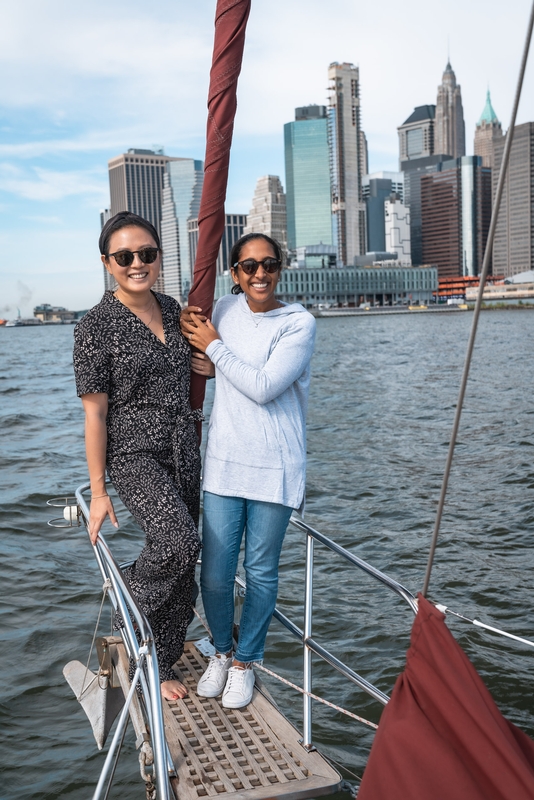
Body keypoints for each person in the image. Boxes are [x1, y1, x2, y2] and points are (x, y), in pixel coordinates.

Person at [181, 232, 315, 709]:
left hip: (275, 466)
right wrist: (204, 347)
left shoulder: (298, 322)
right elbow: (191, 338)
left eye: (269, 264)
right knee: (215, 573)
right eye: (249, 265)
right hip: (222, 463)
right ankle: (220, 650)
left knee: (259, 571)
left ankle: (246, 661)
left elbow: (263, 386)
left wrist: (214, 350)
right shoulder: (220, 310)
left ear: (280, 268)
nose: (260, 273)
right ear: (234, 273)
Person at [73, 211, 201, 702]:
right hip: (132, 454)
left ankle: (162, 663)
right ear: (107, 263)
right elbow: (95, 417)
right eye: (124, 256)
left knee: (185, 561)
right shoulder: (94, 327)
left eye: (146, 253)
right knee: (177, 540)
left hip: (182, 447)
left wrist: (206, 360)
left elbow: (193, 367)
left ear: (158, 257)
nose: (137, 263)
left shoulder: (173, 310)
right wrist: (99, 491)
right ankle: (131, 598)